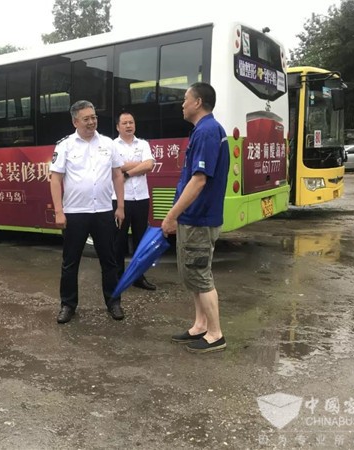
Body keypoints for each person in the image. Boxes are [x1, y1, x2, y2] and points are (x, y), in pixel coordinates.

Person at [161, 82, 229, 354]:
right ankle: (200, 325)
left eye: (185, 99)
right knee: (193, 273)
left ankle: (215, 334)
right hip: (196, 217)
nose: (182, 104)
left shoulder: (207, 131)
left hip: (199, 218)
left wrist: (171, 215)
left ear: (198, 102)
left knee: (200, 274)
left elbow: (199, 180)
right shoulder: (205, 130)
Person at [50, 100, 126, 324]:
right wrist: (58, 211)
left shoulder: (108, 144)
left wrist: (120, 206)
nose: (92, 122)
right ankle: (68, 305)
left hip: (103, 211)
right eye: (86, 119)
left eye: (94, 117)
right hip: (75, 213)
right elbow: (55, 179)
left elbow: (117, 175)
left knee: (109, 261)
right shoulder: (65, 146)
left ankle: (113, 302)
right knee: (70, 262)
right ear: (75, 122)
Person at [113, 111, 157, 291]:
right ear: (118, 127)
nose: (128, 125)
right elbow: (115, 167)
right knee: (118, 240)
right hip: (119, 199)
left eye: (131, 122)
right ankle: (118, 277)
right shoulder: (112, 146)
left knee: (141, 240)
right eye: (124, 123)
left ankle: (139, 277)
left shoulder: (143, 144)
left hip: (141, 197)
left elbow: (149, 165)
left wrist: (127, 172)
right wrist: (138, 164)